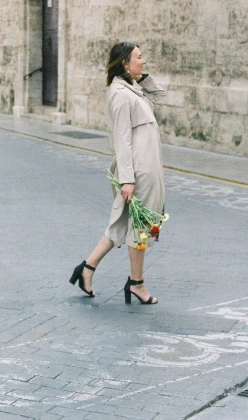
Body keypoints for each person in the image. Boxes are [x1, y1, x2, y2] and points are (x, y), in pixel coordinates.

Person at [70, 42, 166, 305]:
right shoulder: (121, 95)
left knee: (122, 224)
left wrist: (142, 76)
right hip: (139, 171)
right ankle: (137, 284)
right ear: (125, 63)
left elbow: (160, 97)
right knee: (140, 227)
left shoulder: (132, 89)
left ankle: (87, 269)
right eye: (139, 57)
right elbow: (121, 139)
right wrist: (128, 179)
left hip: (144, 168)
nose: (144, 60)